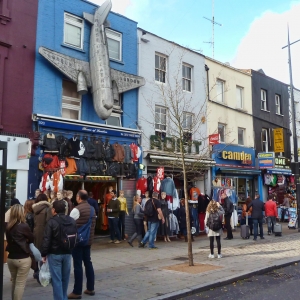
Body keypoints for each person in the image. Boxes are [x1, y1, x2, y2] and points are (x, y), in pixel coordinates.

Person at [41, 200, 77, 300]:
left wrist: (44, 254)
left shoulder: (51, 222)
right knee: (65, 279)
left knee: (57, 280)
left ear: (54, 210)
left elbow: (47, 239)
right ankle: (64, 297)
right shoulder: (71, 220)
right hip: (68, 252)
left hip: (55, 253)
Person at [68, 190, 96, 299]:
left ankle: (77, 291)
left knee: (78, 265)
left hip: (78, 240)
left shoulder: (76, 209)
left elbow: (69, 224)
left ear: (79, 197)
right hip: (88, 240)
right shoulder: (92, 209)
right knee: (88, 263)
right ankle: (90, 288)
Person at [6, 204, 34, 300]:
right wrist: (25, 240)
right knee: (20, 284)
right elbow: (31, 238)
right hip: (22, 258)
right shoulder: (23, 226)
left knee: (14, 282)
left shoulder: (8, 226)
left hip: (11, 258)